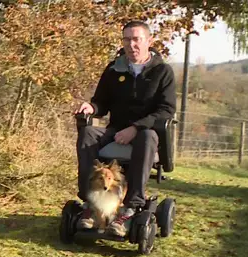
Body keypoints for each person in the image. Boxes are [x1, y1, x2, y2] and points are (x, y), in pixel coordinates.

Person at [74, 20, 176, 236]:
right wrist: (91, 107)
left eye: (137, 39)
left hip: (146, 134)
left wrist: (136, 128)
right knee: (88, 133)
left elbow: (166, 110)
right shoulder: (114, 70)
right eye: (127, 39)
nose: (131, 45)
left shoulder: (162, 72)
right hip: (115, 130)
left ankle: (131, 207)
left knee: (147, 136)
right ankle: (90, 204)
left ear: (148, 41)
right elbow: (101, 102)